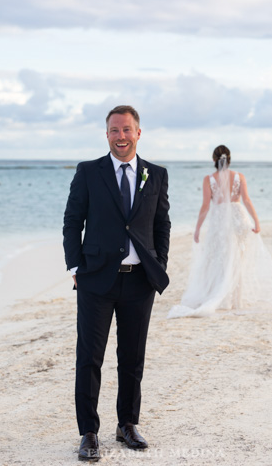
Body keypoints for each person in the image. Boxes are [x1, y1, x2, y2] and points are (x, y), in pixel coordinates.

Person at [63, 105, 171, 461]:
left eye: (126, 130)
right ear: (106, 134)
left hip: (140, 282)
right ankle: (89, 433)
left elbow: (161, 225)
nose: (120, 137)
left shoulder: (155, 174)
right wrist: (74, 266)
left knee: (132, 357)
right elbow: (72, 221)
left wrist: (159, 265)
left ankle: (127, 424)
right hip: (95, 280)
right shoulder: (89, 172)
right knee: (89, 358)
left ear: (138, 133)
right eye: (114, 130)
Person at [168, 145, 272, 318]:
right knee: (237, 259)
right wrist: (256, 220)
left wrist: (197, 228)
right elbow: (246, 200)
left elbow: (205, 207)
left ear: (213, 160)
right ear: (229, 159)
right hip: (239, 218)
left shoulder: (208, 179)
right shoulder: (239, 177)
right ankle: (236, 300)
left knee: (219, 259)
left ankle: (223, 298)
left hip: (219, 221)